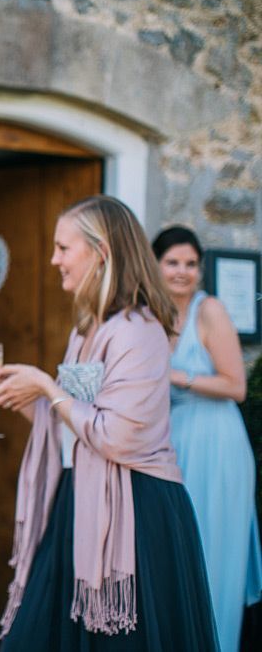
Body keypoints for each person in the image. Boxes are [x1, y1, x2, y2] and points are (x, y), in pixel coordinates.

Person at [0, 196, 218, 651]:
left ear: (101, 252)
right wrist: (25, 396)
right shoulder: (87, 329)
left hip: (136, 513)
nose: (54, 260)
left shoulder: (139, 330)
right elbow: (76, 430)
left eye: (63, 248)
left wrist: (48, 387)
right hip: (79, 500)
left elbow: (115, 436)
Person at [152, 225, 262, 652]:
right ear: (155, 265)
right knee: (176, 556)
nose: (183, 272)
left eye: (191, 264)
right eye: (173, 262)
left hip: (218, 444)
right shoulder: (151, 314)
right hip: (172, 441)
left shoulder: (209, 310)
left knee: (214, 553)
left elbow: (236, 387)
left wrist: (179, 375)